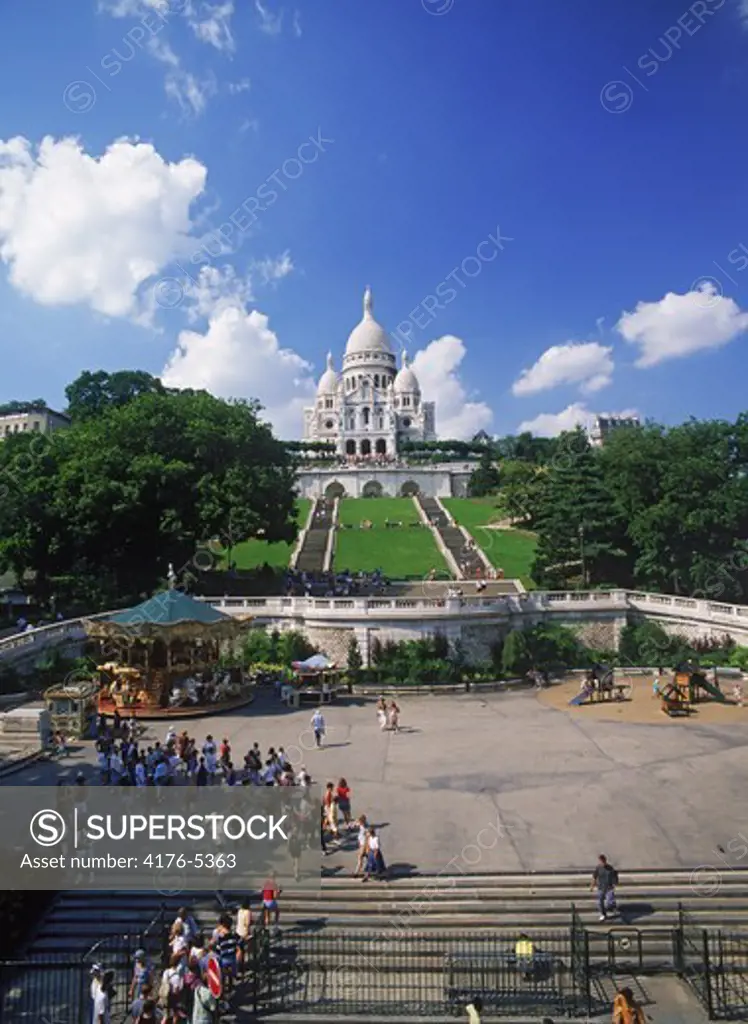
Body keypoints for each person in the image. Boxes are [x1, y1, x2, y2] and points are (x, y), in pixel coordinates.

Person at [591, 853, 619, 922]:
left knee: (609, 901)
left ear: (605, 860)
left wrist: (615, 883)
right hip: (601, 887)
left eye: (603, 861)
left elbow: (615, 876)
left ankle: (612, 906)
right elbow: (594, 877)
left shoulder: (610, 868)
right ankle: (603, 914)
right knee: (600, 902)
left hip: (609, 887)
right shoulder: (598, 868)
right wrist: (592, 886)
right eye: (601, 861)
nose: (602, 862)